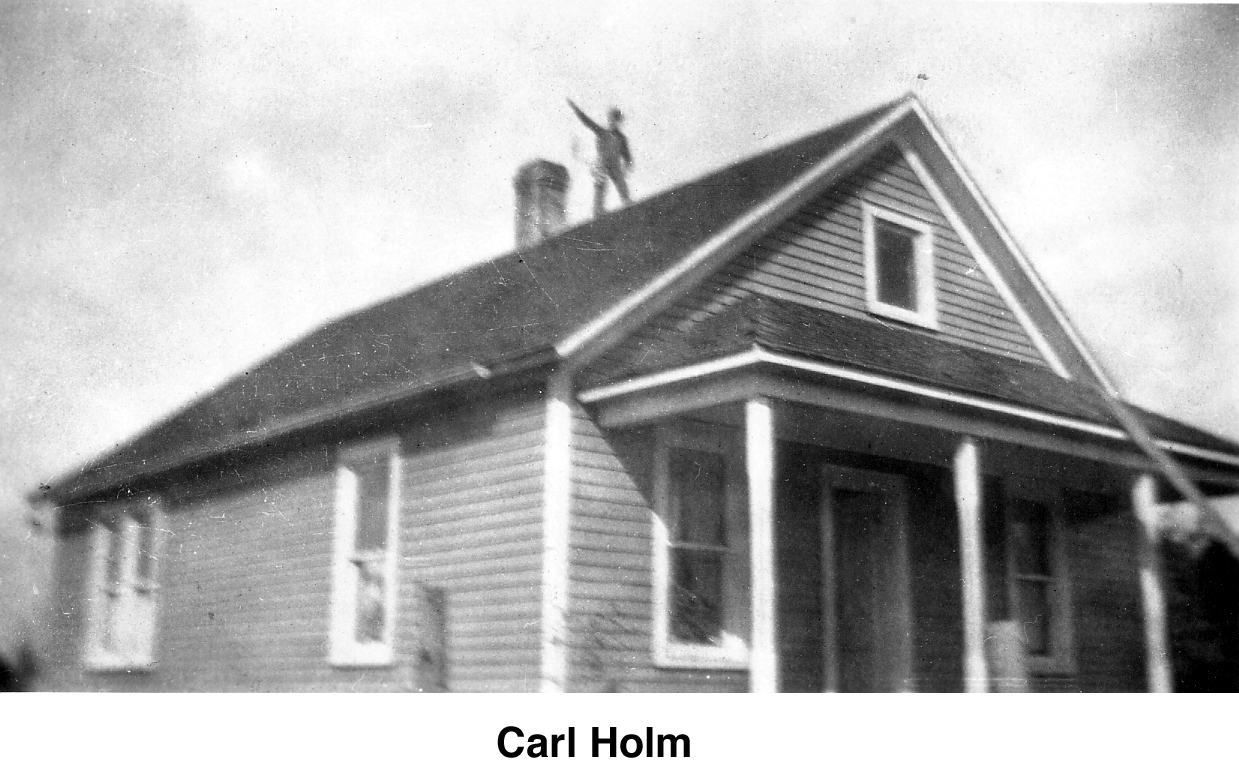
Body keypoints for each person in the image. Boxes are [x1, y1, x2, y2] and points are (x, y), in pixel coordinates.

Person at [567, 99, 633, 216]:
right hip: (602, 163)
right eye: (612, 120)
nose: (614, 123)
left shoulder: (622, 138)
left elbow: (627, 155)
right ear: (610, 120)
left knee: (620, 181)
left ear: (619, 122)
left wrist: (628, 165)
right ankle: (598, 210)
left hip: (615, 165)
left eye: (617, 121)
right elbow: (587, 122)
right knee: (600, 183)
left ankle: (626, 201)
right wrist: (576, 109)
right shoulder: (602, 132)